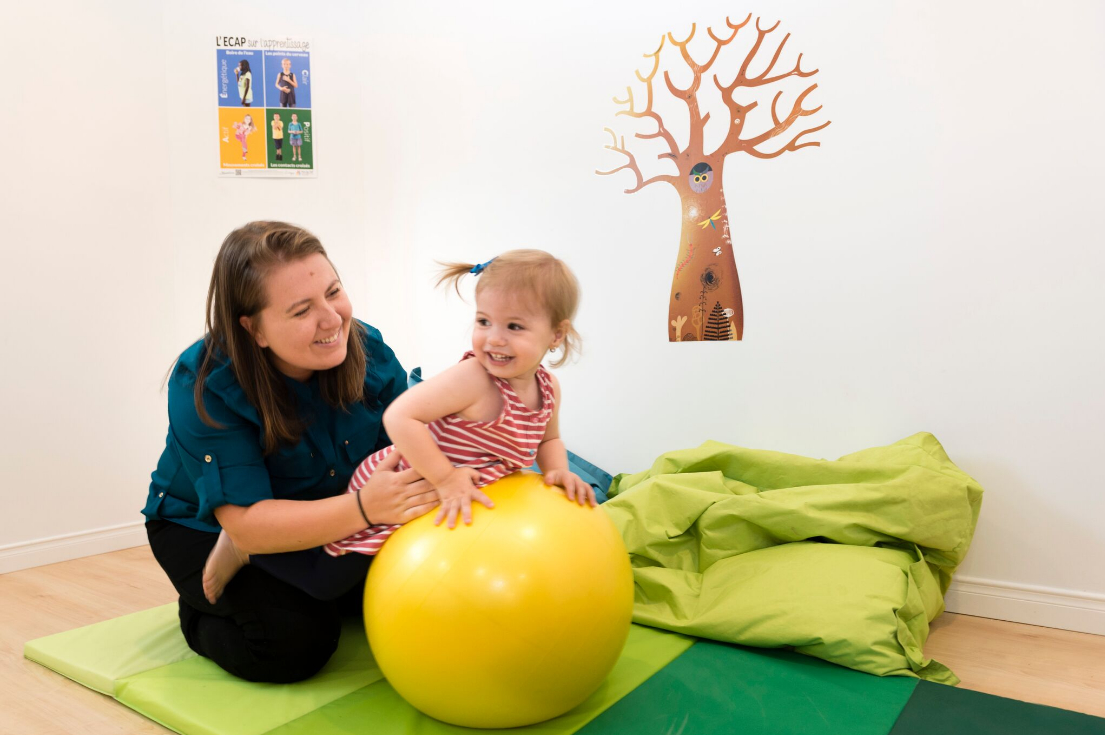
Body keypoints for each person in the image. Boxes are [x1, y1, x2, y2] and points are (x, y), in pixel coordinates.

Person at [142, 221, 439, 684]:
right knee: (293, 643)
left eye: (333, 292)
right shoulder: (205, 381)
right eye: (302, 310)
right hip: (208, 528)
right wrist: (365, 507)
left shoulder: (367, 348)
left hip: (333, 509)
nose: (332, 319)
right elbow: (247, 524)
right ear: (254, 329)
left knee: (416, 591)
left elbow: (408, 448)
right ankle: (199, 612)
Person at [202, 249, 595, 592]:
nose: (494, 338)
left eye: (514, 326)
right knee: (330, 580)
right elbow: (400, 416)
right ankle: (246, 550)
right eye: (483, 322)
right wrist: (445, 478)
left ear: (556, 334)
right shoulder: (474, 379)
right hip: (407, 480)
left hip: (457, 489)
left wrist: (557, 472)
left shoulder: (548, 388)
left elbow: (548, 440)